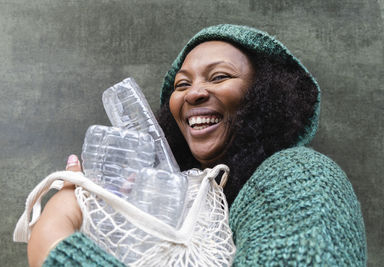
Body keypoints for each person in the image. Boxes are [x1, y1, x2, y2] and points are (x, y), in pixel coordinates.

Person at [27, 24, 367, 266]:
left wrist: (56, 238)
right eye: (182, 84)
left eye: (219, 77)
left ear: (265, 96)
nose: (193, 93)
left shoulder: (301, 176)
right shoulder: (202, 196)